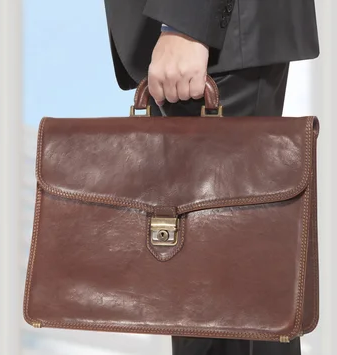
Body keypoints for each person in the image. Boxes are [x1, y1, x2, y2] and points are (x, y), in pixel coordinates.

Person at [103, 0, 320, 354]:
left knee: (216, 308)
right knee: (234, 304)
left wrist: (186, 24)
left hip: (209, 35)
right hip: (210, 38)